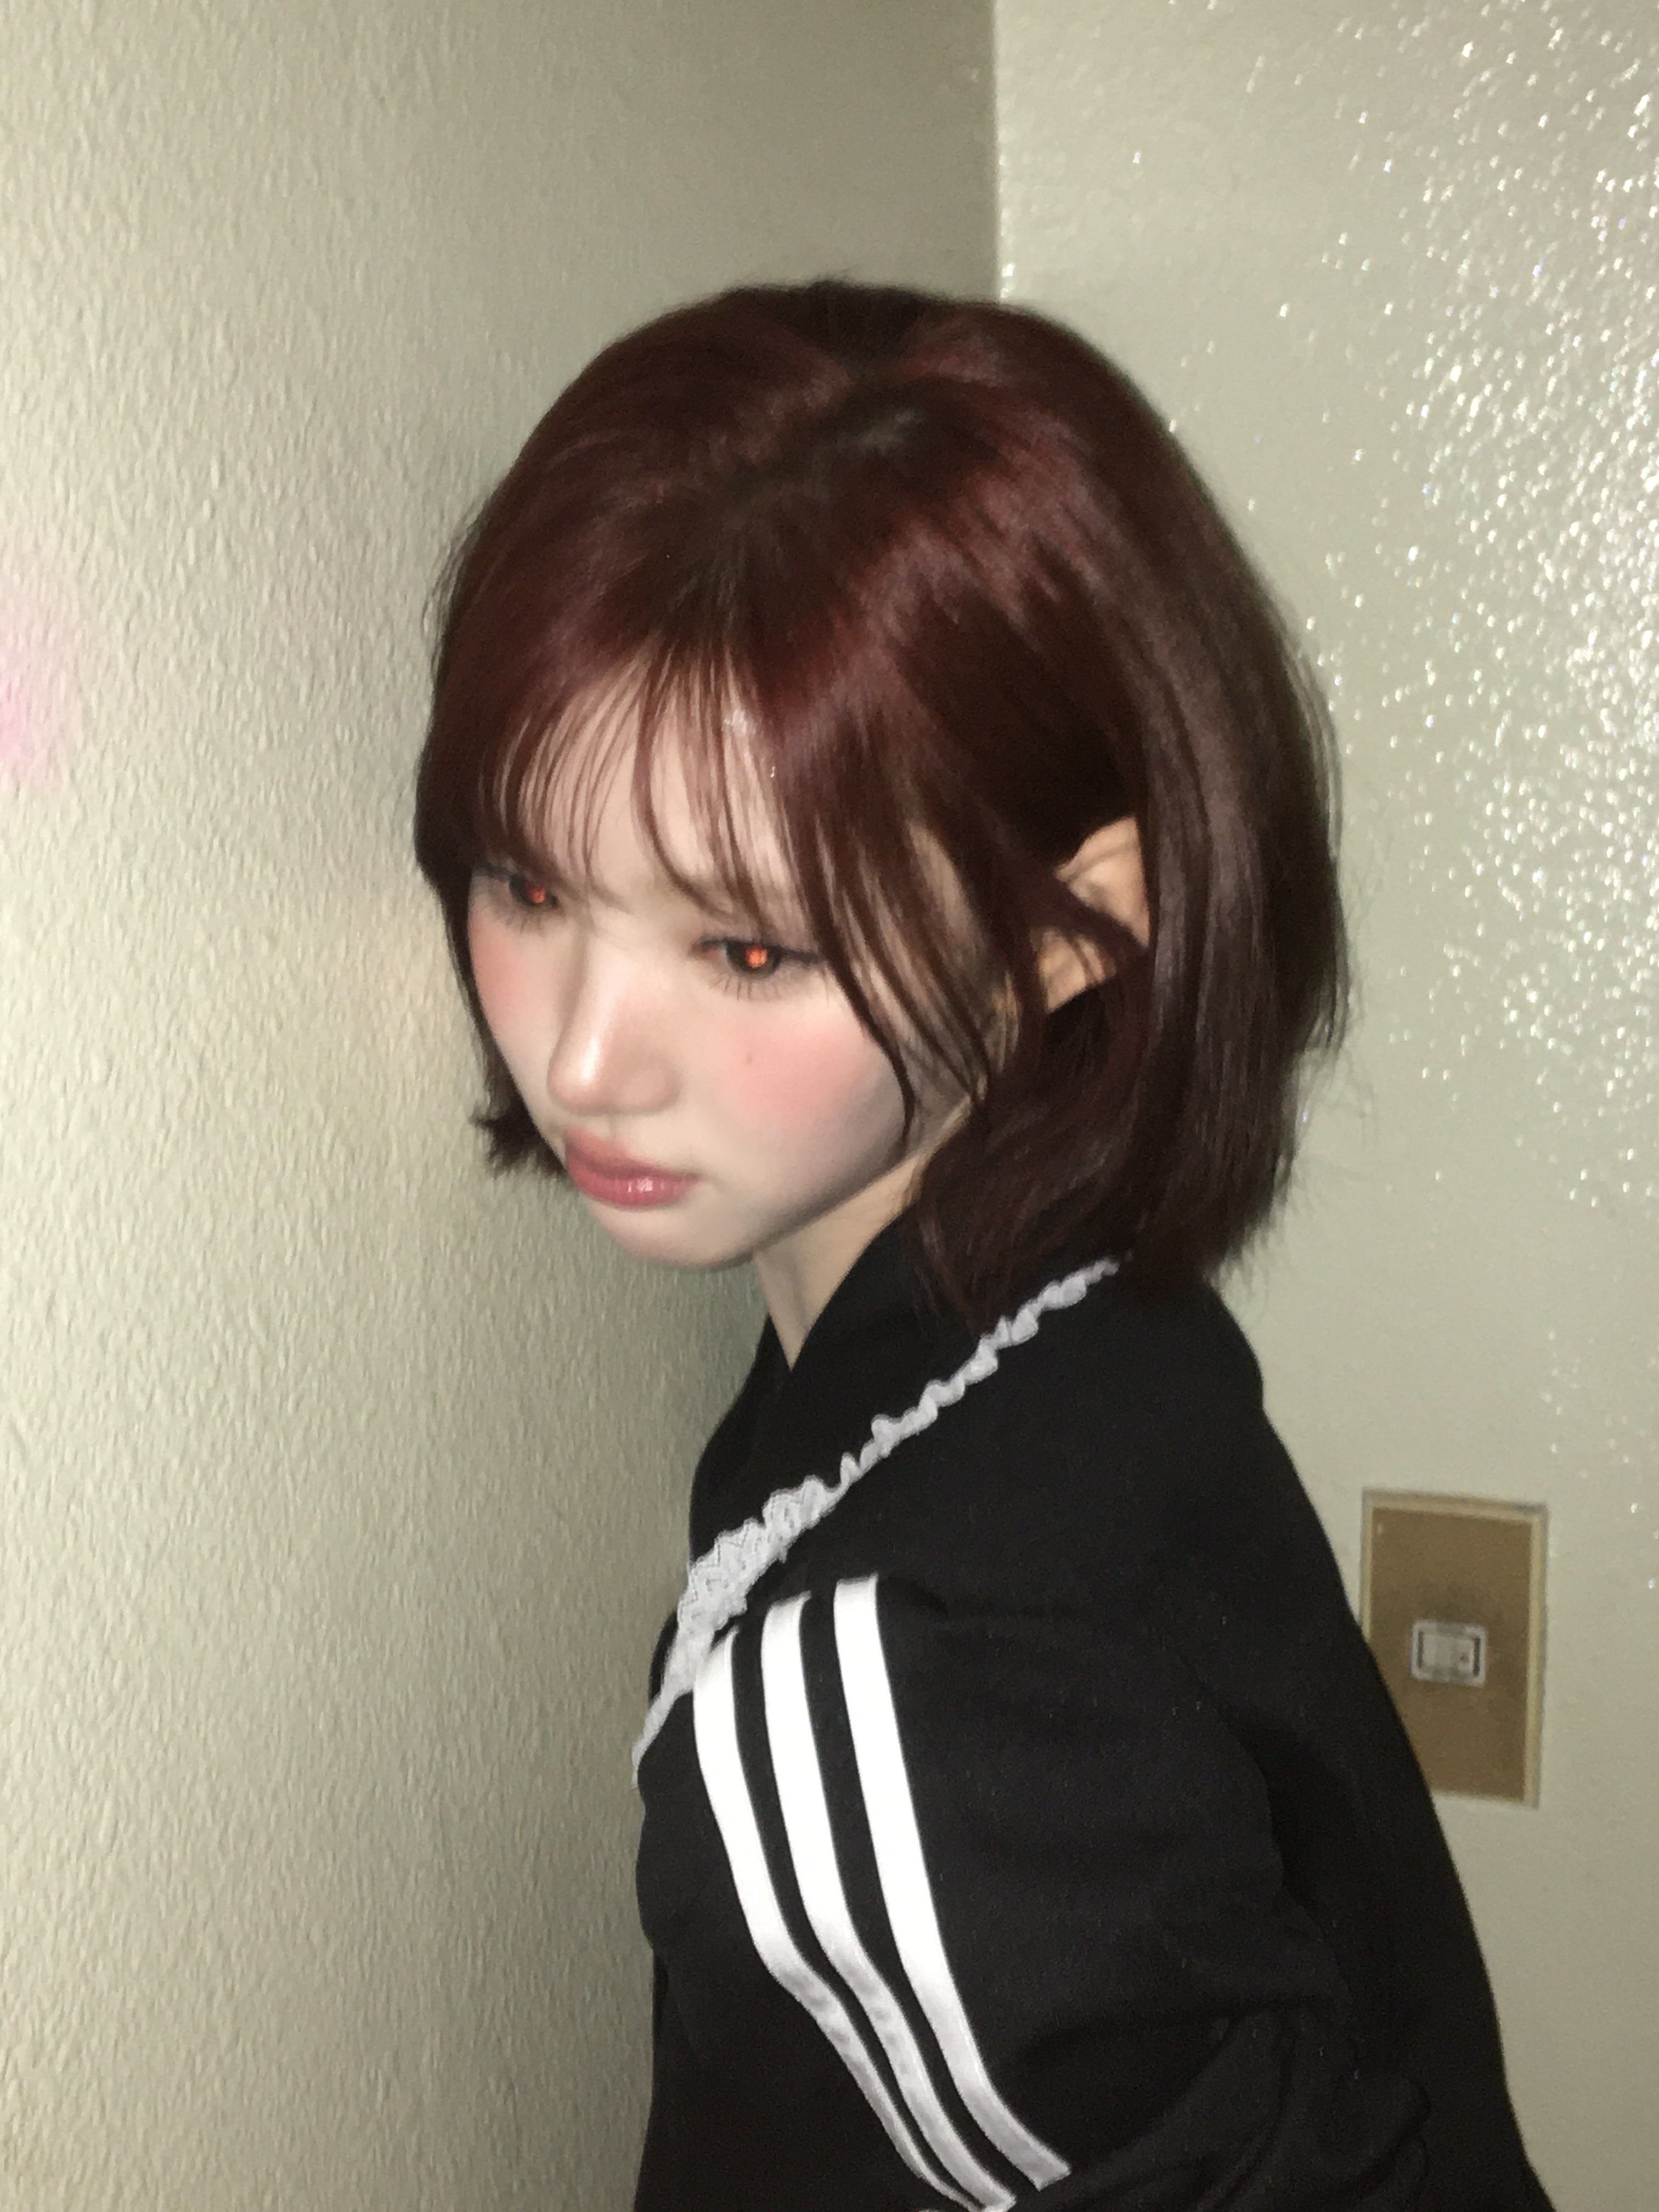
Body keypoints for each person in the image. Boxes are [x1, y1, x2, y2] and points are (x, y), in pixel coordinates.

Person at [414, 281, 1553, 2212]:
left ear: (1065, 933)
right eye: (530, 883)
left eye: (746, 947)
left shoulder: (926, 1693)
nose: (582, 1058)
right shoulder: (1075, 1321)